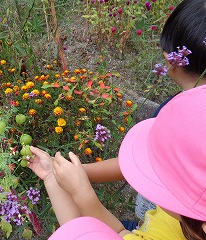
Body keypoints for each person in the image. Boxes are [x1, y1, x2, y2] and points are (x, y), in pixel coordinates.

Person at [81, 0, 206, 222]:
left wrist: (80, 173)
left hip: (166, 217)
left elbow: (137, 163)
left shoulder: (174, 115)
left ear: (171, 59)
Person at [28, 85, 206, 239]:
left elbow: (85, 233)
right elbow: (121, 233)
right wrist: (54, 174)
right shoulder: (189, 214)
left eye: (160, 178)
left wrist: (81, 193)